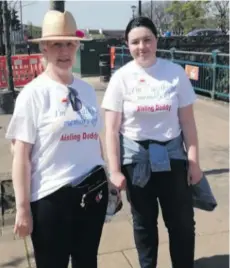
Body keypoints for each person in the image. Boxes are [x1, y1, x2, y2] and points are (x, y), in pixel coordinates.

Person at [6, 10, 108, 268]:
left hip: (91, 193)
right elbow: (21, 156)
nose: (64, 51)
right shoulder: (33, 94)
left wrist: (106, 173)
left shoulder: (85, 90)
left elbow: (95, 138)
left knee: (87, 262)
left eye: (70, 43)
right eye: (56, 44)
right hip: (51, 199)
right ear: (44, 48)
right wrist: (22, 208)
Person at [101, 16, 203, 268]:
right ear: (127, 44)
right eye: (135, 42)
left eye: (147, 40)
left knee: (181, 222)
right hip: (137, 161)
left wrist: (194, 162)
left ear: (157, 40)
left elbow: (188, 123)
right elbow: (112, 130)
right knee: (144, 223)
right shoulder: (121, 78)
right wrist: (114, 170)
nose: (142, 46)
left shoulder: (174, 73)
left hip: (173, 158)